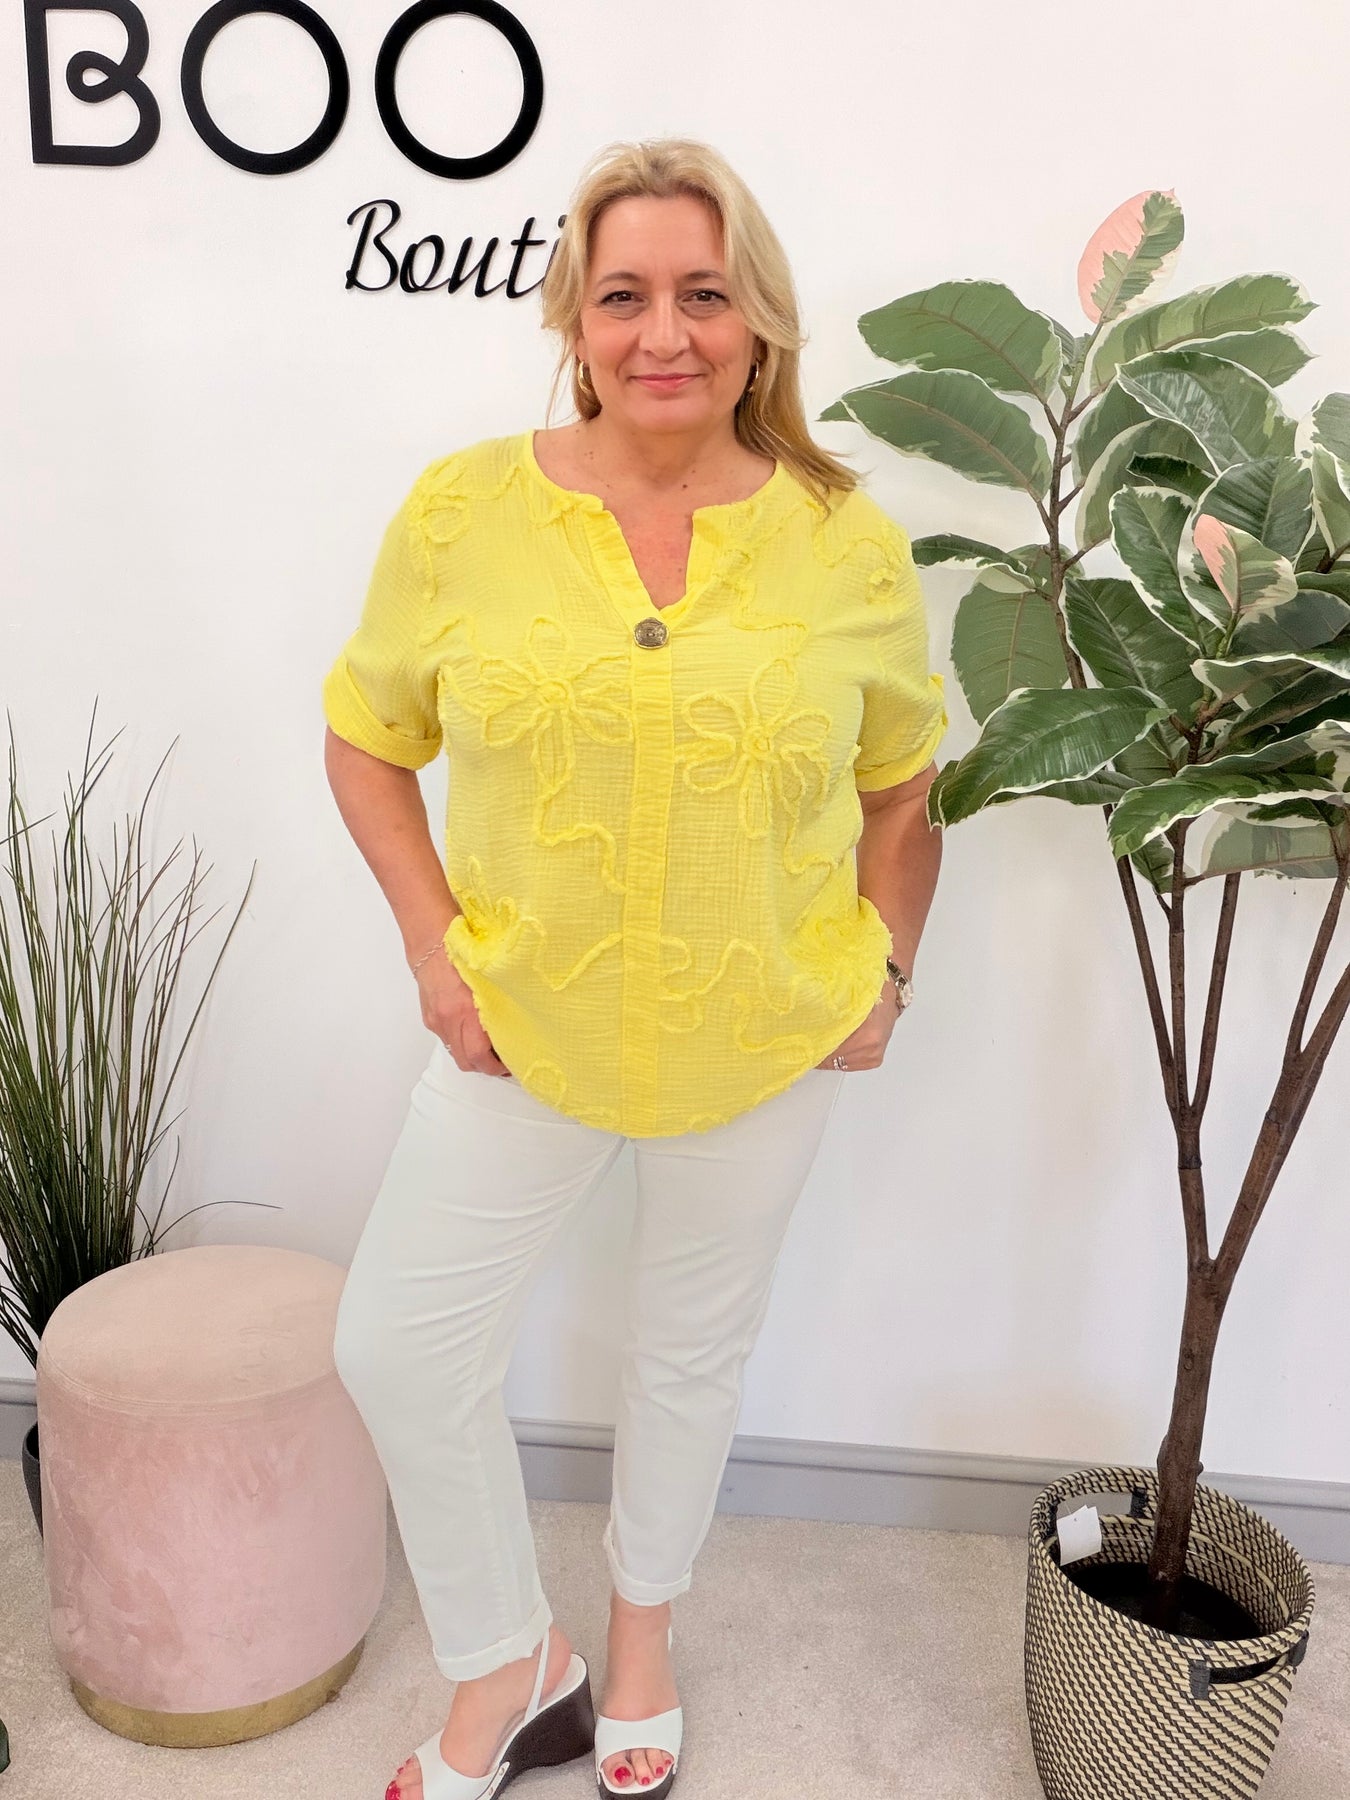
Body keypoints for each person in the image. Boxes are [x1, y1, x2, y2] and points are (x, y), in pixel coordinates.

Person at [323, 136, 946, 1800]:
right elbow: (366, 737)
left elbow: (903, 789)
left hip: (762, 1030)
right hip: (519, 1024)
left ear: (758, 323)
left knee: (688, 1349)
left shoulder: (844, 542)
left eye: (702, 293)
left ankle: (642, 1632)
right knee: (398, 1342)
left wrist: (885, 972)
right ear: (573, 320)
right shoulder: (464, 510)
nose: (663, 332)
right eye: (623, 296)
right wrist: (433, 950)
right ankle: (507, 1660)